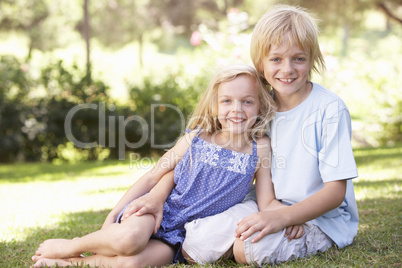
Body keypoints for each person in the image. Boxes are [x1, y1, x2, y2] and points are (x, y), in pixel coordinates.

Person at [31, 64, 278, 268]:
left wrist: (293, 218)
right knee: (129, 240)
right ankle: (72, 245)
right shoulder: (197, 138)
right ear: (215, 106)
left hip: (185, 236)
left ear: (260, 106)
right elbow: (153, 176)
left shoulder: (260, 148)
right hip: (159, 211)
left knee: (132, 264)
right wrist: (112, 216)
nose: (236, 109)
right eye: (227, 101)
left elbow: (266, 201)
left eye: (247, 102)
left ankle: (68, 263)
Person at [180, 4, 359, 266]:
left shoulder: (329, 110)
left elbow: (335, 192)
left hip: (321, 215)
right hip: (267, 203)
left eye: (298, 58)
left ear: (312, 59)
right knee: (195, 245)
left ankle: (245, 241)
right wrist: (274, 213)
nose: (287, 69)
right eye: (276, 59)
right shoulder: (258, 107)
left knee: (247, 250)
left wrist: (287, 217)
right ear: (260, 63)